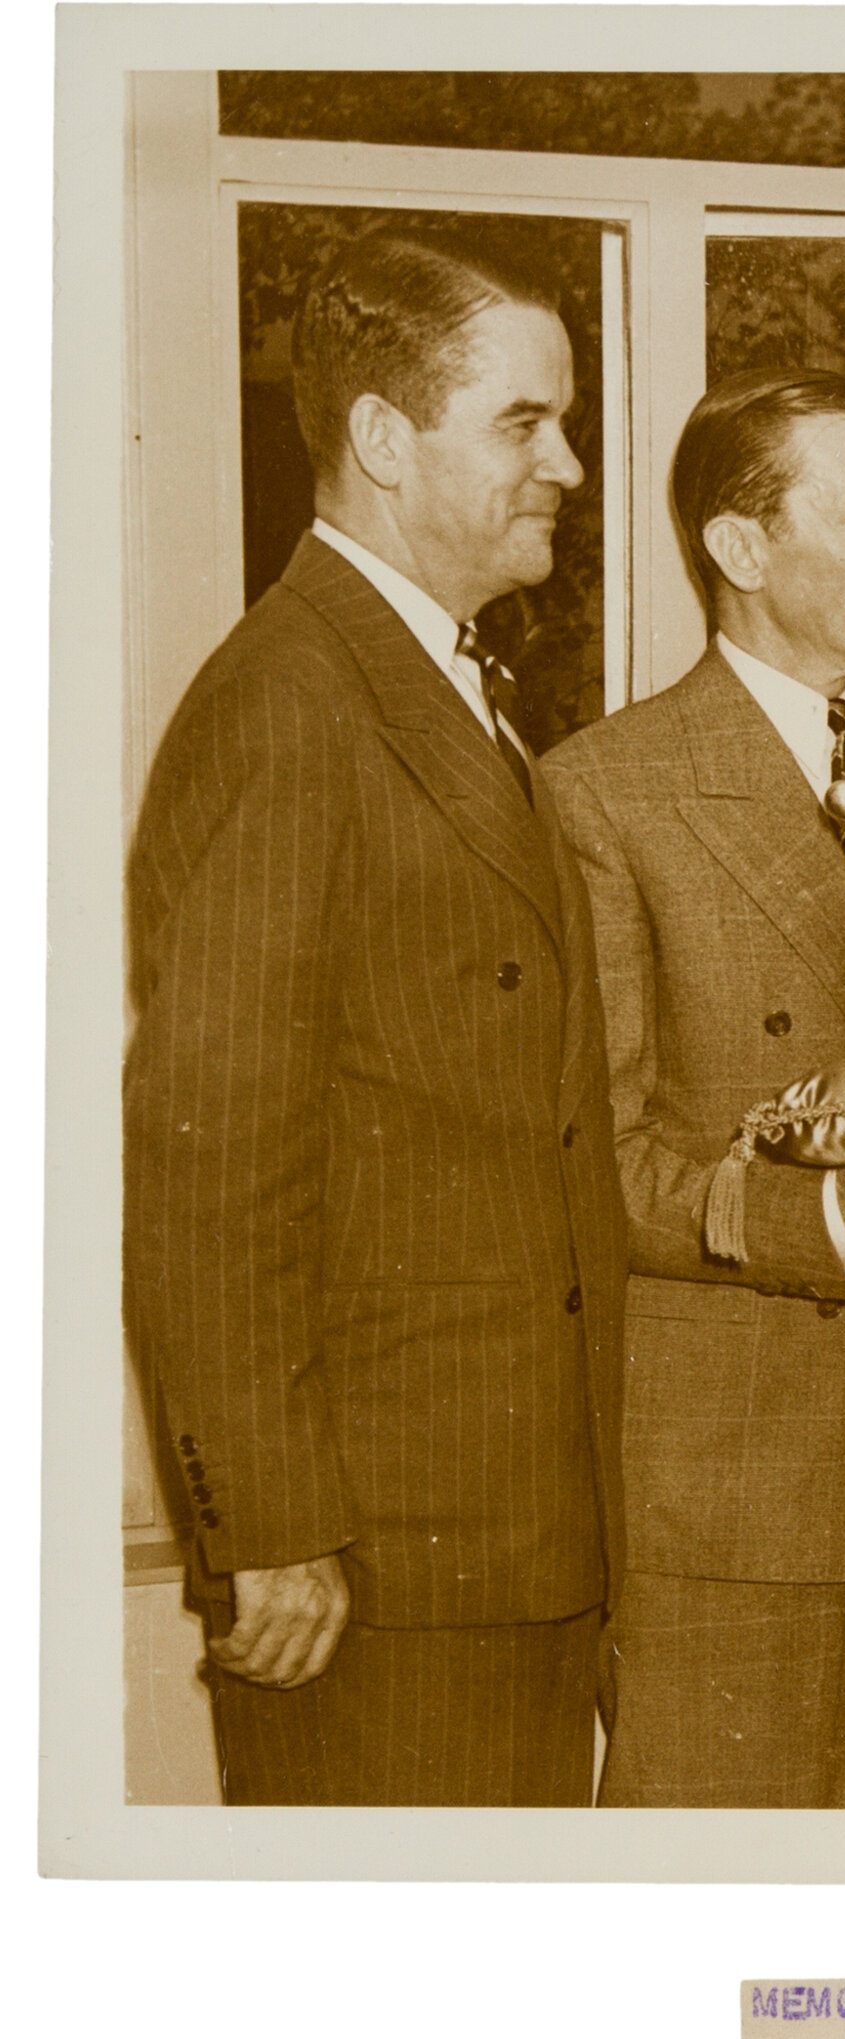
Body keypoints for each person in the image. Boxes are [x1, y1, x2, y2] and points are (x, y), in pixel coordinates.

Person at [124, 228, 626, 1805]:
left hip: (503, 1532)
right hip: (371, 1563)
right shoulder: (290, 703)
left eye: (565, 420)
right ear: (384, 440)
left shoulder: (435, 686)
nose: (570, 461)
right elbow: (212, 1158)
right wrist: (269, 1523)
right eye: (524, 423)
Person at [539, 371, 845, 1808]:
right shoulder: (601, 794)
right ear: (741, 549)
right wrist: (831, 1211)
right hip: (722, 1472)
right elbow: (593, 1167)